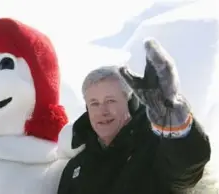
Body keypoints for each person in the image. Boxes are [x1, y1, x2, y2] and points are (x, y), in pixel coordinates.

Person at [57, 39, 211, 194]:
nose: (102, 111)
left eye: (111, 101)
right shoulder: (75, 168)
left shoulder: (155, 148)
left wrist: (176, 129)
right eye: (94, 103)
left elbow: (186, 170)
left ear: (130, 103)